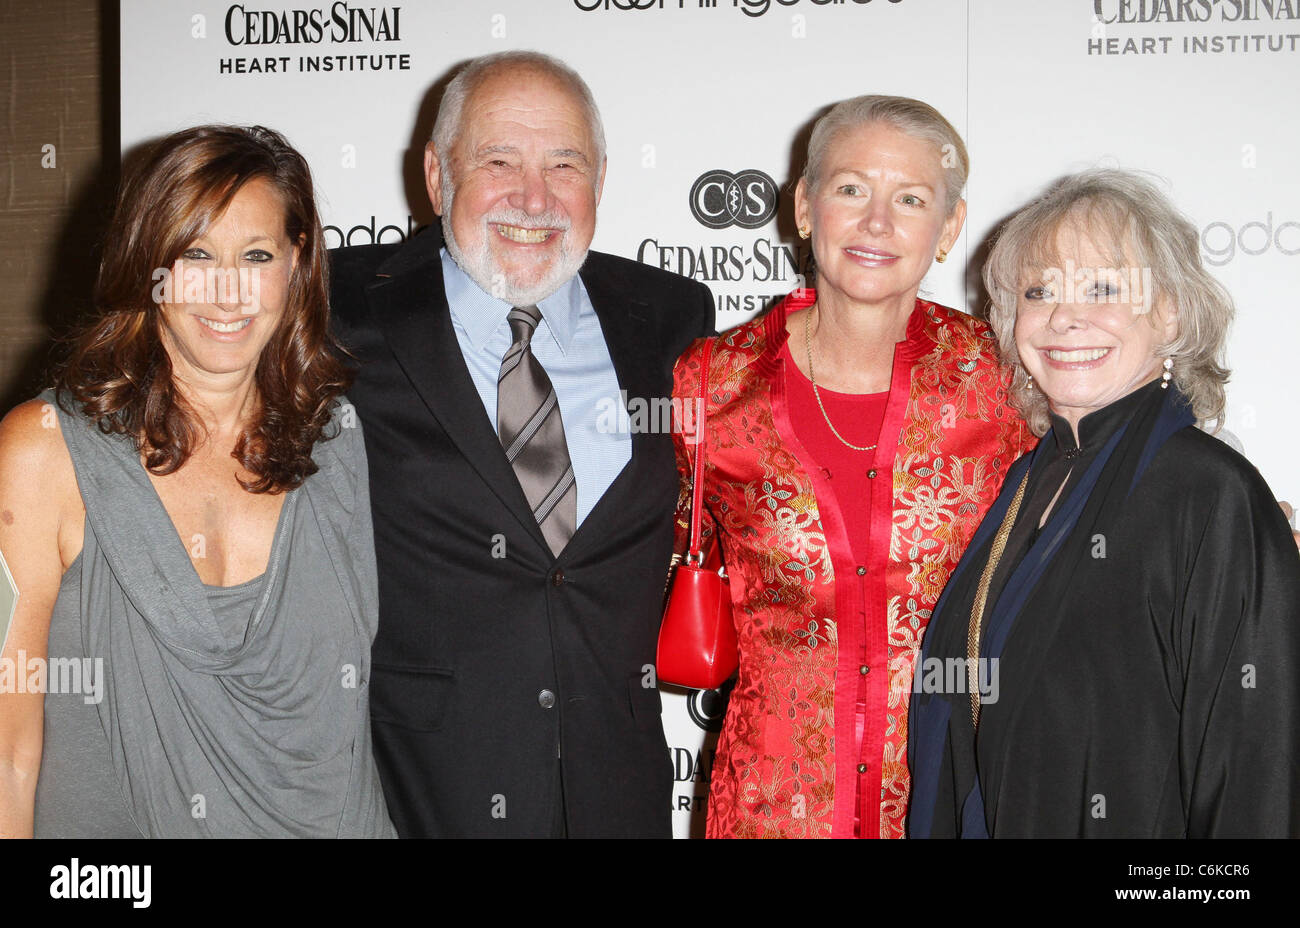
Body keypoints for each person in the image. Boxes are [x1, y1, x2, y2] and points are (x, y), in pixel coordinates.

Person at [329, 51, 715, 837]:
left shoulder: (672, 316)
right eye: (499, 160)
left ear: (600, 180)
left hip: (622, 791)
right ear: (438, 176)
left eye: (564, 164)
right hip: (417, 793)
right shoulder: (331, 311)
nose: (534, 198)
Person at [0, 125, 396, 837]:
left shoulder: (336, 440)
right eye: (195, 256)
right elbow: (8, 747)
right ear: (147, 264)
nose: (227, 290)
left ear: (297, 263)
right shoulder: (43, 451)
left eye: (256, 255)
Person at [670, 96, 1031, 838]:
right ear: (804, 207)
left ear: (949, 228)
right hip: (772, 805)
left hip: (959, 791)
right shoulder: (711, 383)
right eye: (850, 189)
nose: (877, 223)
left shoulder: (1002, 378)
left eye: (910, 199)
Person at [908, 169, 1300, 838]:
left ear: (1170, 312)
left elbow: (1256, 769)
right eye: (1039, 291)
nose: (1065, 316)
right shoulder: (1029, 481)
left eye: (1104, 288)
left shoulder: (1210, 494)